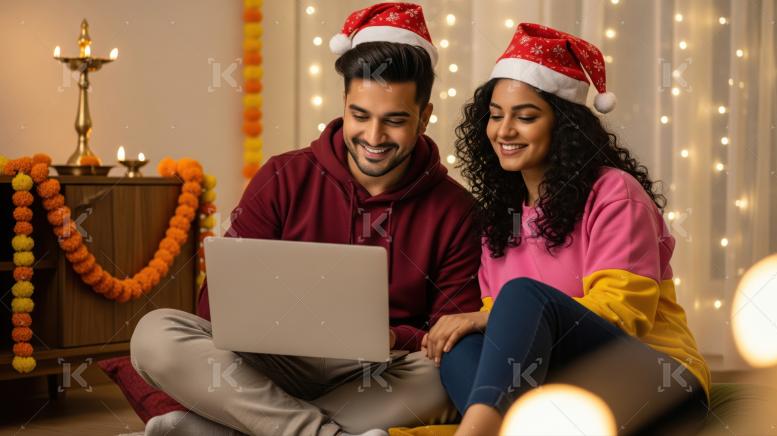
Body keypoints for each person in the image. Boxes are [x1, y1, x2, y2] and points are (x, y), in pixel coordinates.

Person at [130, 3, 482, 435]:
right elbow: (213, 308)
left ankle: (216, 430)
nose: (373, 138)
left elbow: (451, 335)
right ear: (344, 103)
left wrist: (394, 338)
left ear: (424, 117)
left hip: (375, 373)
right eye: (361, 115)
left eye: (394, 121)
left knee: (440, 382)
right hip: (270, 363)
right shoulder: (283, 175)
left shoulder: (457, 209)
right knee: (154, 334)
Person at [422, 23, 711, 435]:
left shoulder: (614, 193)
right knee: (456, 345)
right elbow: (502, 330)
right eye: (496, 116)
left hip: (660, 384)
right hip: (564, 396)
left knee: (519, 296)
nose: (504, 131)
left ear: (564, 125)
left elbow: (624, 315)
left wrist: (492, 316)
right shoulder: (499, 219)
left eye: (525, 117)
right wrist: (477, 321)